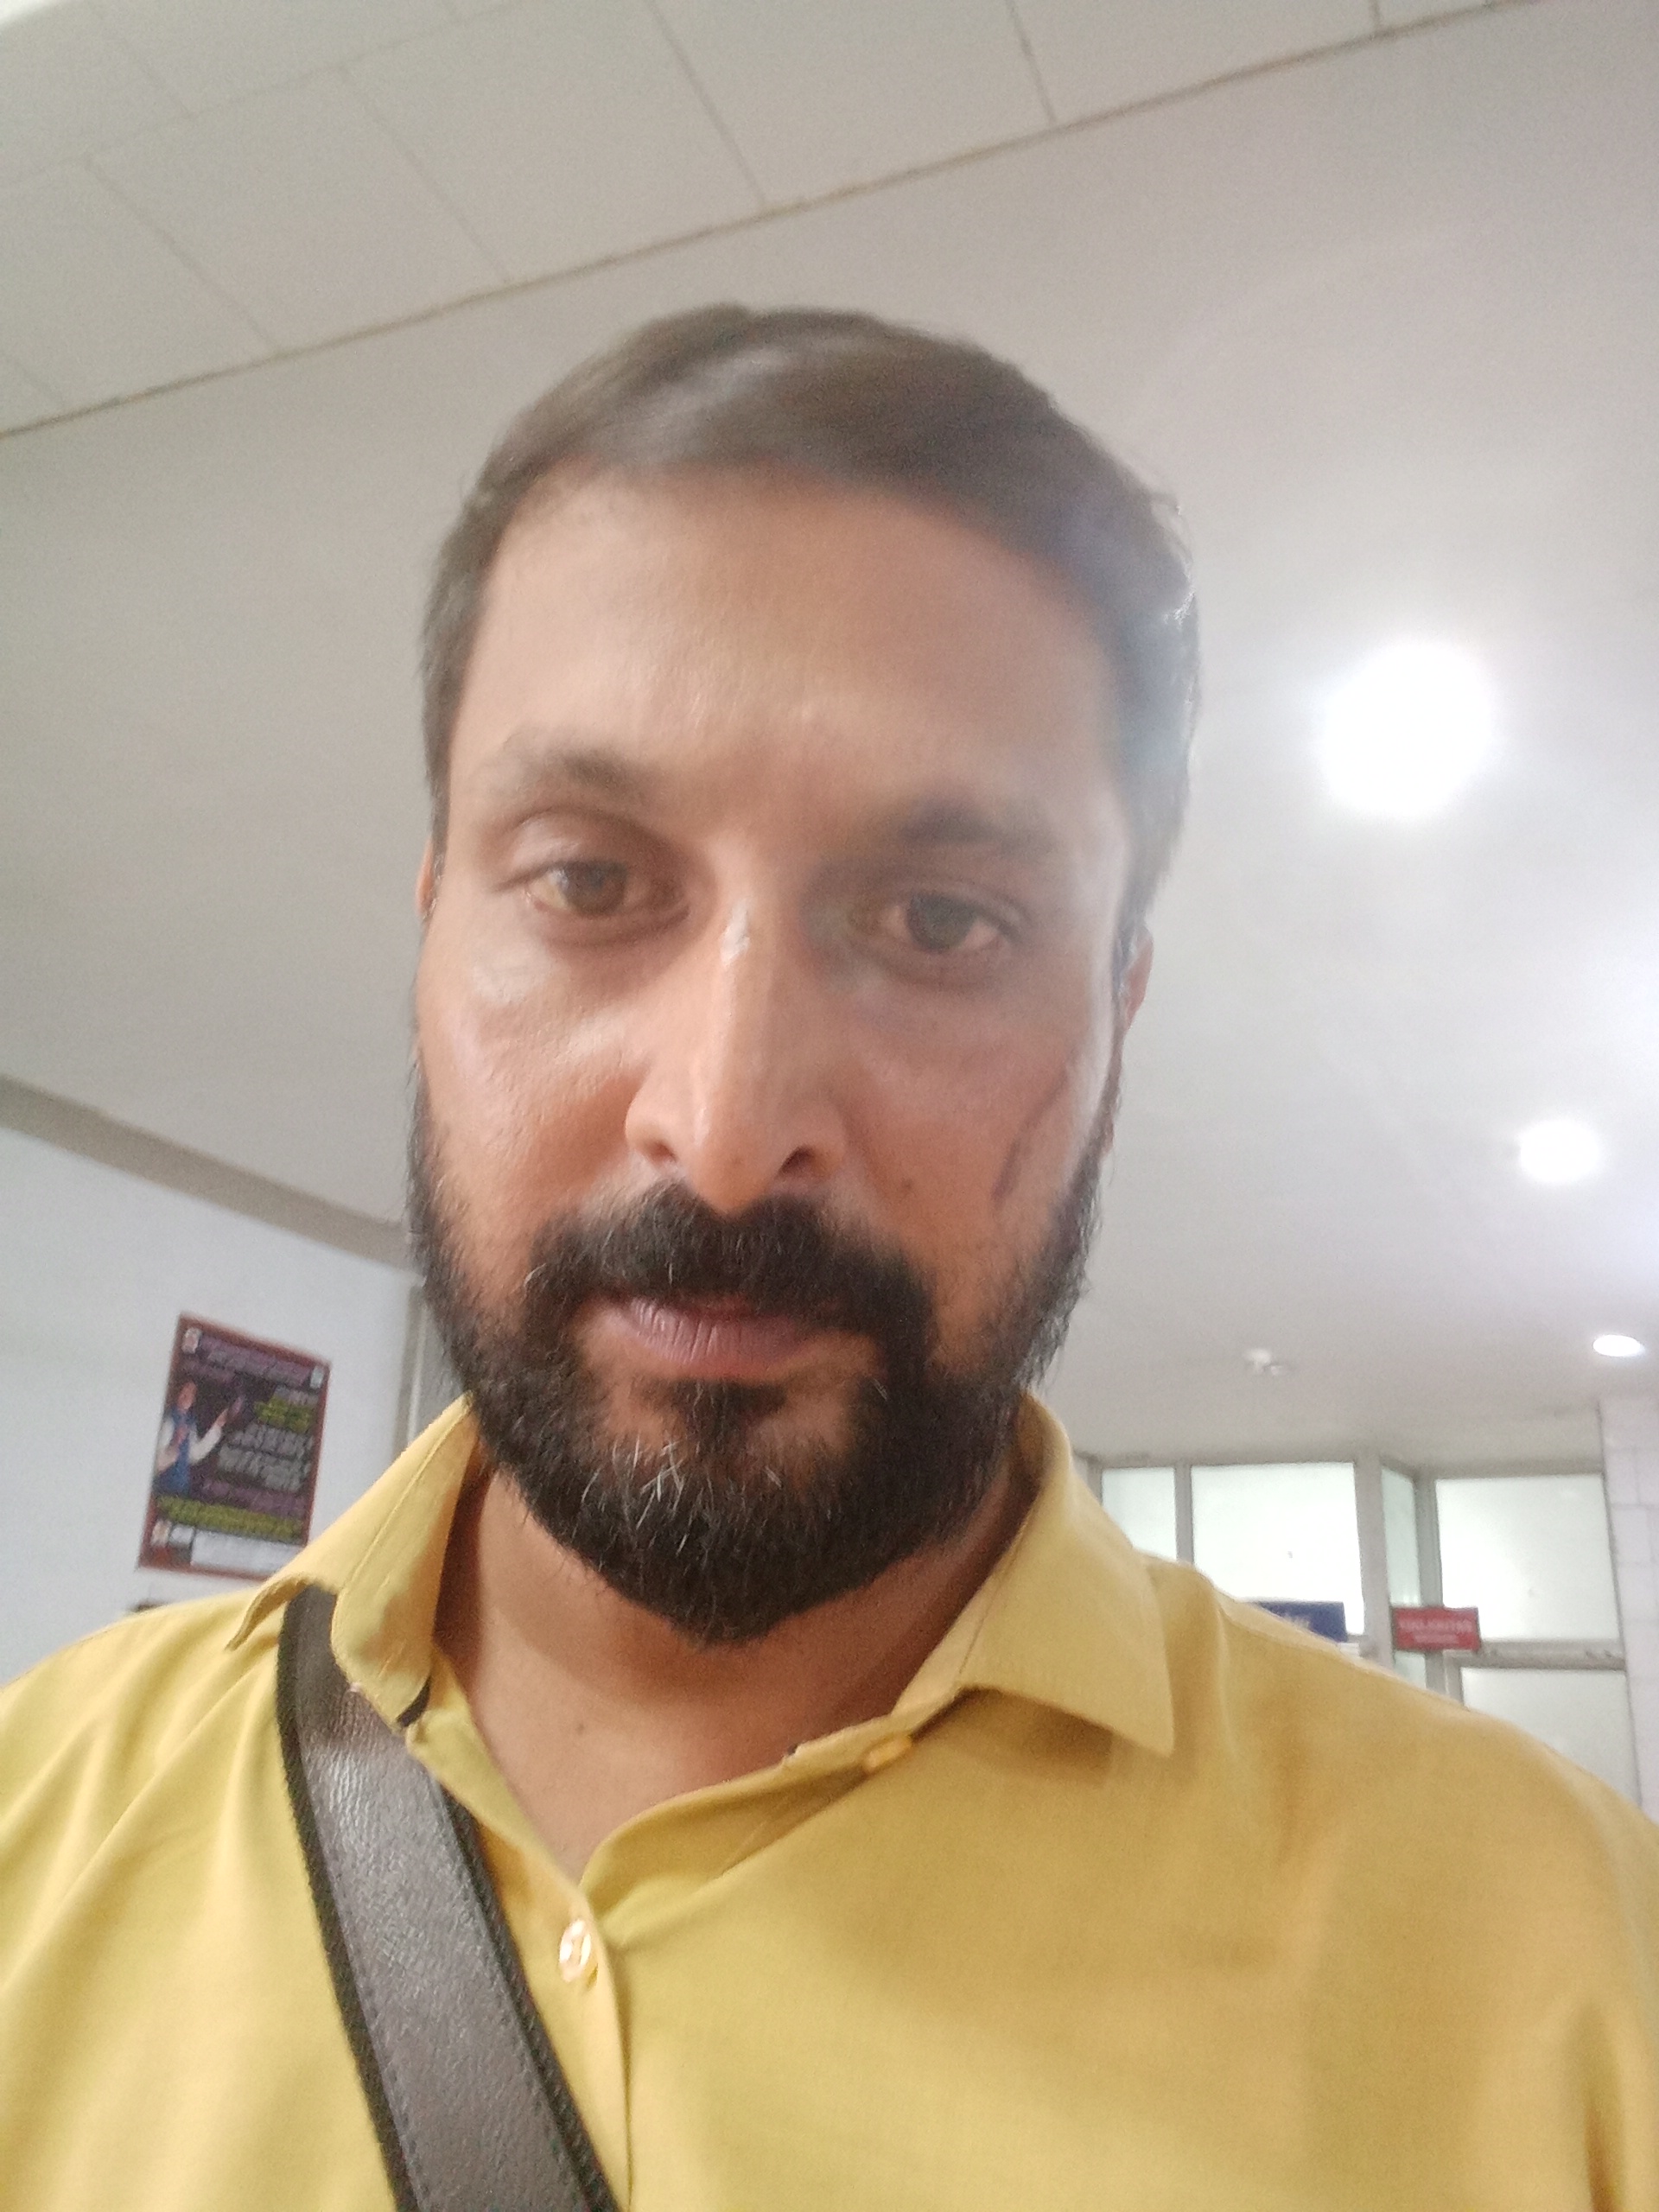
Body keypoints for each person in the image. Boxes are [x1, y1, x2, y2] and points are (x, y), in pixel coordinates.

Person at [1, 306, 1655, 2211]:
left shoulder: (1576, 1973)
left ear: (1117, 1014)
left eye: (943, 920)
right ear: (437, 929)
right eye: (591, 881)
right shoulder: (34, 1832)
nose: (723, 1127)